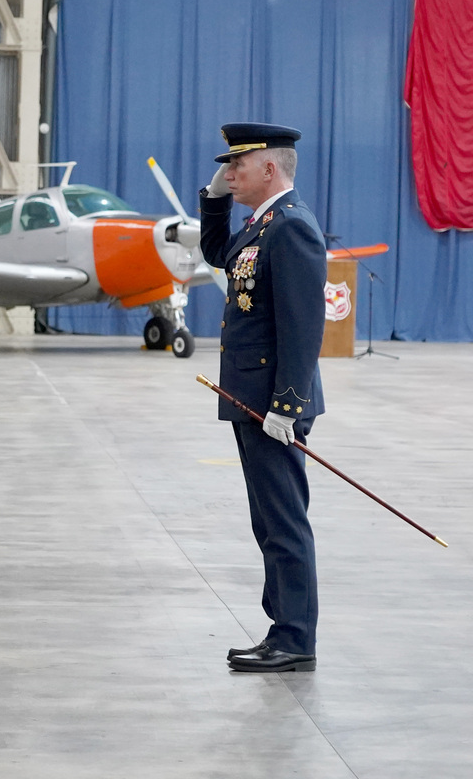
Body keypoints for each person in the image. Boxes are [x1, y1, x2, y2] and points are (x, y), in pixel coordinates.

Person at [199, 122, 327, 673]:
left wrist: (289, 406)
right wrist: (213, 200)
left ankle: (295, 637)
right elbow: (216, 254)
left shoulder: (291, 228)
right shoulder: (261, 225)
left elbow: (303, 326)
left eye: (237, 166)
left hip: (274, 405)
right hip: (253, 399)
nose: (230, 174)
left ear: (268, 169)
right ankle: (283, 629)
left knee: (283, 521)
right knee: (267, 521)